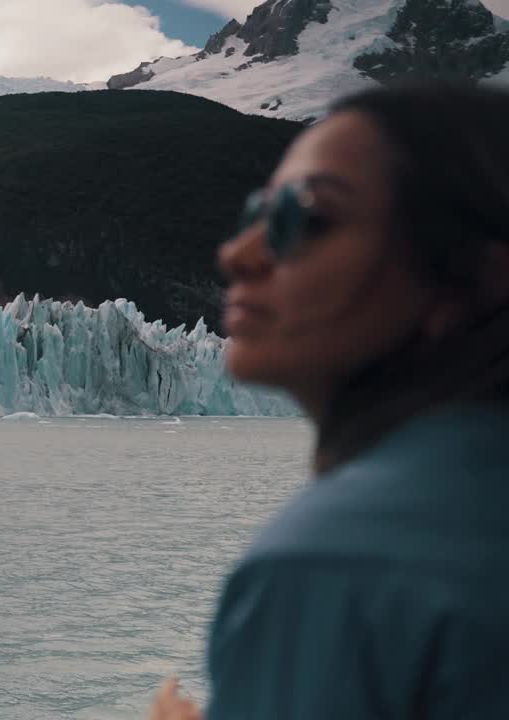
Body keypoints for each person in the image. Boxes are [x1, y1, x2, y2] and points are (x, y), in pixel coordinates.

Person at [149, 81, 509, 720]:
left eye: (307, 219)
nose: (237, 254)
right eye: (254, 216)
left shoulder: (333, 563)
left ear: (474, 276)